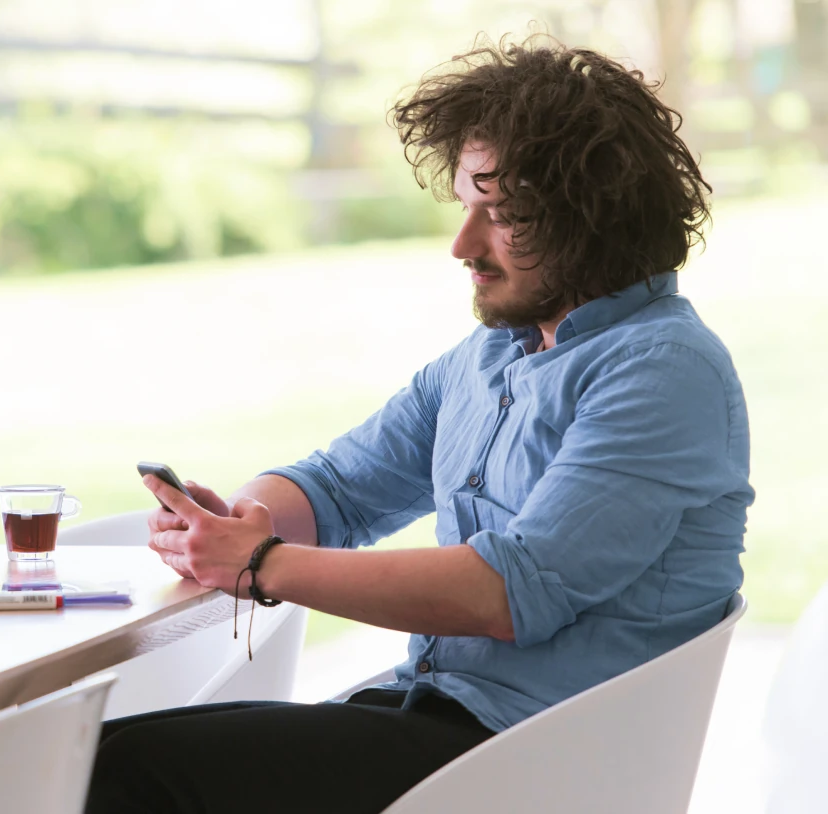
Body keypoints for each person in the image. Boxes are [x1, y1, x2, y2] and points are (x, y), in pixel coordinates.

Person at [85, 34, 752, 814]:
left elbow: (508, 591)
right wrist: (238, 521)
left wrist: (261, 563)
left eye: (505, 216)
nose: (463, 245)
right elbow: (338, 487)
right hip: (441, 719)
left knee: (125, 772)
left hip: (536, 761)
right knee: (101, 754)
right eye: (467, 207)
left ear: (594, 220)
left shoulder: (663, 369)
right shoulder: (492, 355)